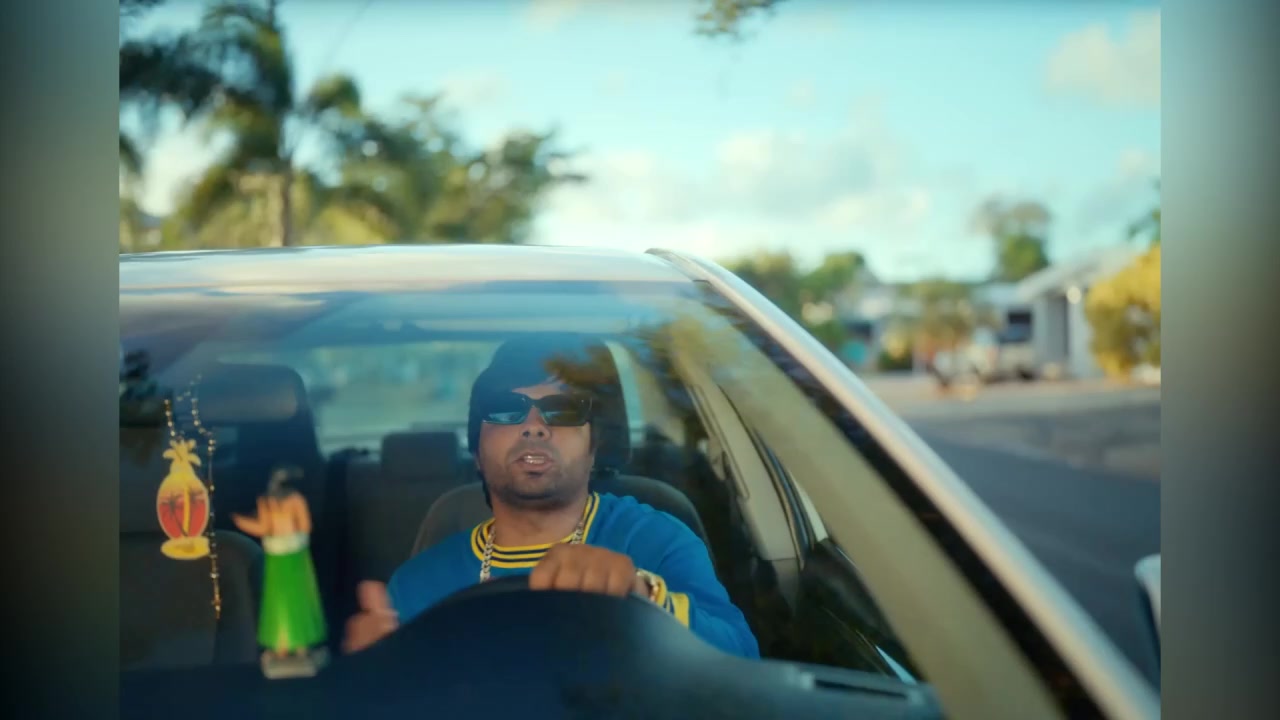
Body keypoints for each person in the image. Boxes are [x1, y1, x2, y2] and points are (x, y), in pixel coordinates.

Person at [344, 333, 760, 659]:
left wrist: (643, 595)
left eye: (563, 409)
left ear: (594, 448)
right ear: (477, 453)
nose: (534, 426)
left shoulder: (656, 540)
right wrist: (368, 671)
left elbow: (741, 657)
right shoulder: (417, 583)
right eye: (506, 408)